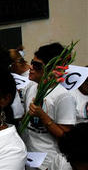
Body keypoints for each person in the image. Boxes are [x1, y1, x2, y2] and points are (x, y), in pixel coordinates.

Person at [21, 42, 76, 170]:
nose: (31, 67)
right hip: (28, 157)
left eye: (37, 65)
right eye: (31, 62)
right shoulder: (31, 87)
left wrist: (43, 116)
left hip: (49, 162)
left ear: (51, 68)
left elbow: (66, 136)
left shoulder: (62, 96)